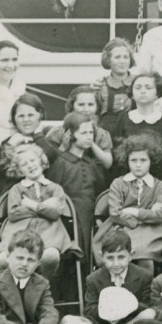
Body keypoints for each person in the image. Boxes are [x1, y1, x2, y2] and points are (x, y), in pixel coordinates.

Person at [61, 229, 156, 324]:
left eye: (121, 257)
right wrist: (107, 310)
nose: (116, 264)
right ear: (102, 256)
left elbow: (147, 306)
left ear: (131, 255)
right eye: (110, 258)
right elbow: (89, 310)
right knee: (67, 320)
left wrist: (127, 307)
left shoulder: (144, 276)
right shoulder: (93, 279)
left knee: (150, 313)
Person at [0, 143, 71, 282]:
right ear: (19, 170)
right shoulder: (17, 189)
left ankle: (42, 286)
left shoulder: (54, 188)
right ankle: (18, 289)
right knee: (4, 260)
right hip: (19, 233)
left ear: (41, 161)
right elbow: (13, 213)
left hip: (49, 234)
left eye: (33, 160)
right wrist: (44, 207)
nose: (30, 165)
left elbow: (55, 213)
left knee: (50, 256)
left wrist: (31, 204)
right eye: (24, 164)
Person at [92, 135, 162, 272]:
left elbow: (159, 216)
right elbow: (115, 214)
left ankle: (144, 292)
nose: (138, 164)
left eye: (143, 160)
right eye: (133, 160)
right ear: (127, 161)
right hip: (121, 228)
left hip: (151, 231)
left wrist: (132, 211)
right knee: (118, 253)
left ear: (151, 161)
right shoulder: (118, 183)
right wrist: (147, 214)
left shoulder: (159, 186)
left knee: (146, 257)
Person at [45, 112, 106, 277]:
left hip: (90, 215)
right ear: (70, 135)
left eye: (91, 133)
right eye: (83, 133)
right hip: (67, 218)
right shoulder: (60, 162)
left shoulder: (91, 163)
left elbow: (101, 193)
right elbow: (52, 192)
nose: (89, 137)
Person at [111, 70, 162, 194]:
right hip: (128, 183)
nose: (142, 91)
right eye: (138, 87)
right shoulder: (124, 118)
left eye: (148, 87)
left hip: (157, 182)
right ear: (132, 94)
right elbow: (117, 155)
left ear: (157, 93)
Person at [43, 86, 114, 170]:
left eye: (90, 104)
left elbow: (108, 164)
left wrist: (90, 142)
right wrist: (63, 147)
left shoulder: (101, 134)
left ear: (97, 107)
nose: (86, 109)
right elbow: (45, 162)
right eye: (81, 104)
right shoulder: (58, 132)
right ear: (72, 106)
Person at [0, 93, 50, 193]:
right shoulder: (9, 142)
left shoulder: (46, 138)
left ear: (40, 115)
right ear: (14, 118)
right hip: (14, 197)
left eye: (31, 115)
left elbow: (51, 157)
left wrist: (37, 136)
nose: (26, 120)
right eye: (21, 116)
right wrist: (9, 145)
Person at [91, 37, 136, 139]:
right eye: (117, 57)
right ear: (108, 60)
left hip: (133, 135)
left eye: (126, 57)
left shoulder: (138, 83)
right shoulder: (100, 85)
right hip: (107, 137)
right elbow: (95, 115)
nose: (122, 61)